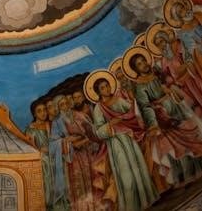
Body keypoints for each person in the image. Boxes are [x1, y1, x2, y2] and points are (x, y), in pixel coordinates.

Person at [124, 48, 202, 189]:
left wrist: (170, 87)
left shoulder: (157, 72)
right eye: (139, 64)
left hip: (177, 107)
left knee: (191, 137)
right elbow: (146, 107)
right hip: (163, 117)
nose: (144, 65)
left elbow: (172, 81)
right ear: (136, 69)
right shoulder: (140, 86)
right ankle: (186, 176)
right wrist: (153, 124)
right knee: (176, 147)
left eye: (143, 61)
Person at [86, 71, 158, 211]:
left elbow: (132, 112)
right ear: (98, 92)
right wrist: (110, 124)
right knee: (125, 173)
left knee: (138, 166)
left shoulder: (118, 100)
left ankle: (147, 199)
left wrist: (131, 104)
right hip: (116, 143)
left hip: (129, 138)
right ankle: (132, 206)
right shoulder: (99, 108)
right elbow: (98, 132)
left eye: (107, 86)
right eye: (102, 88)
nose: (106, 89)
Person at [25, 99, 53, 210]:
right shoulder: (31, 129)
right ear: (34, 114)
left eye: (44, 110)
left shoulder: (50, 125)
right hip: (41, 159)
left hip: (54, 156)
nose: (43, 113)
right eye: (39, 111)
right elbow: (31, 148)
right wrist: (41, 151)